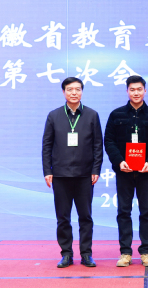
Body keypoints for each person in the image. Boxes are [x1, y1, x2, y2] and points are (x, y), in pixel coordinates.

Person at [104, 75, 148, 267]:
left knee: (146, 211)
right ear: (127, 91)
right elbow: (109, 141)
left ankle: (146, 252)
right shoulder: (116, 115)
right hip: (124, 172)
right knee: (123, 212)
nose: (136, 93)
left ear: (145, 91)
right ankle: (125, 253)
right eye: (132, 89)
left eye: (139, 89)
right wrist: (119, 161)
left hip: (146, 172)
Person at [42, 77, 103, 268]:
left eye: (77, 89)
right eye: (70, 89)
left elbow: (98, 145)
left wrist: (96, 169)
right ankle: (66, 254)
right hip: (60, 175)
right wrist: (47, 171)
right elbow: (47, 145)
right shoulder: (54, 116)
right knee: (63, 218)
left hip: (85, 175)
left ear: (82, 92)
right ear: (64, 92)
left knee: (85, 217)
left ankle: (86, 254)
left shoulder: (92, 115)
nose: (74, 93)